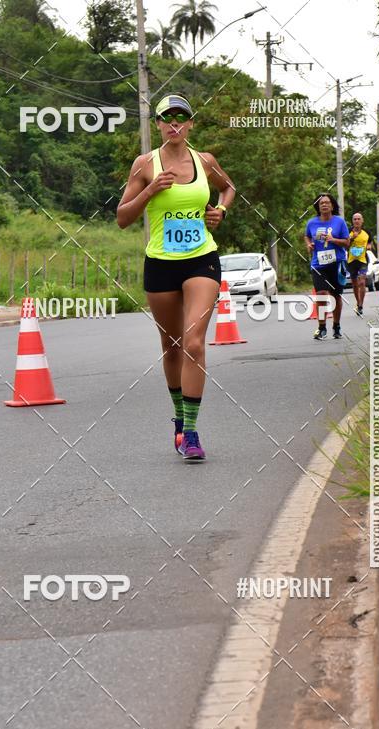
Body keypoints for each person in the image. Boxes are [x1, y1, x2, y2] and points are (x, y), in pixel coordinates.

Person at [117, 94, 235, 462]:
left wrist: (220, 211)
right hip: (161, 263)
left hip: (201, 259)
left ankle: (192, 431)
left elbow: (228, 188)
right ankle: (179, 420)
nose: (174, 124)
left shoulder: (205, 161)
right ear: (157, 124)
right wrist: (151, 190)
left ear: (190, 124)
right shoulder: (144, 164)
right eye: (166, 118)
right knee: (171, 346)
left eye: (181, 118)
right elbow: (122, 217)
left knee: (194, 343)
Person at [304, 194, 349, 340]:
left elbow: (347, 243)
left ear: (332, 205)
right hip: (319, 264)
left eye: (327, 203)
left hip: (337, 263)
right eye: (321, 203)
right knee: (321, 294)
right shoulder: (312, 223)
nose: (324, 205)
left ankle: (336, 326)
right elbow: (307, 236)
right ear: (317, 206)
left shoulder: (339, 222)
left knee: (336, 295)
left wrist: (333, 240)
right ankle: (322, 327)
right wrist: (309, 244)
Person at [347, 212, 372, 315]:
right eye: (355, 219)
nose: (357, 221)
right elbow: (344, 245)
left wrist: (369, 245)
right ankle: (358, 302)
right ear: (352, 221)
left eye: (358, 219)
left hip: (363, 260)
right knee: (354, 284)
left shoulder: (367, 232)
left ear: (362, 221)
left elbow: (369, 241)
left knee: (362, 282)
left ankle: (361, 304)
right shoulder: (348, 231)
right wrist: (352, 238)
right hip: (351, 261)